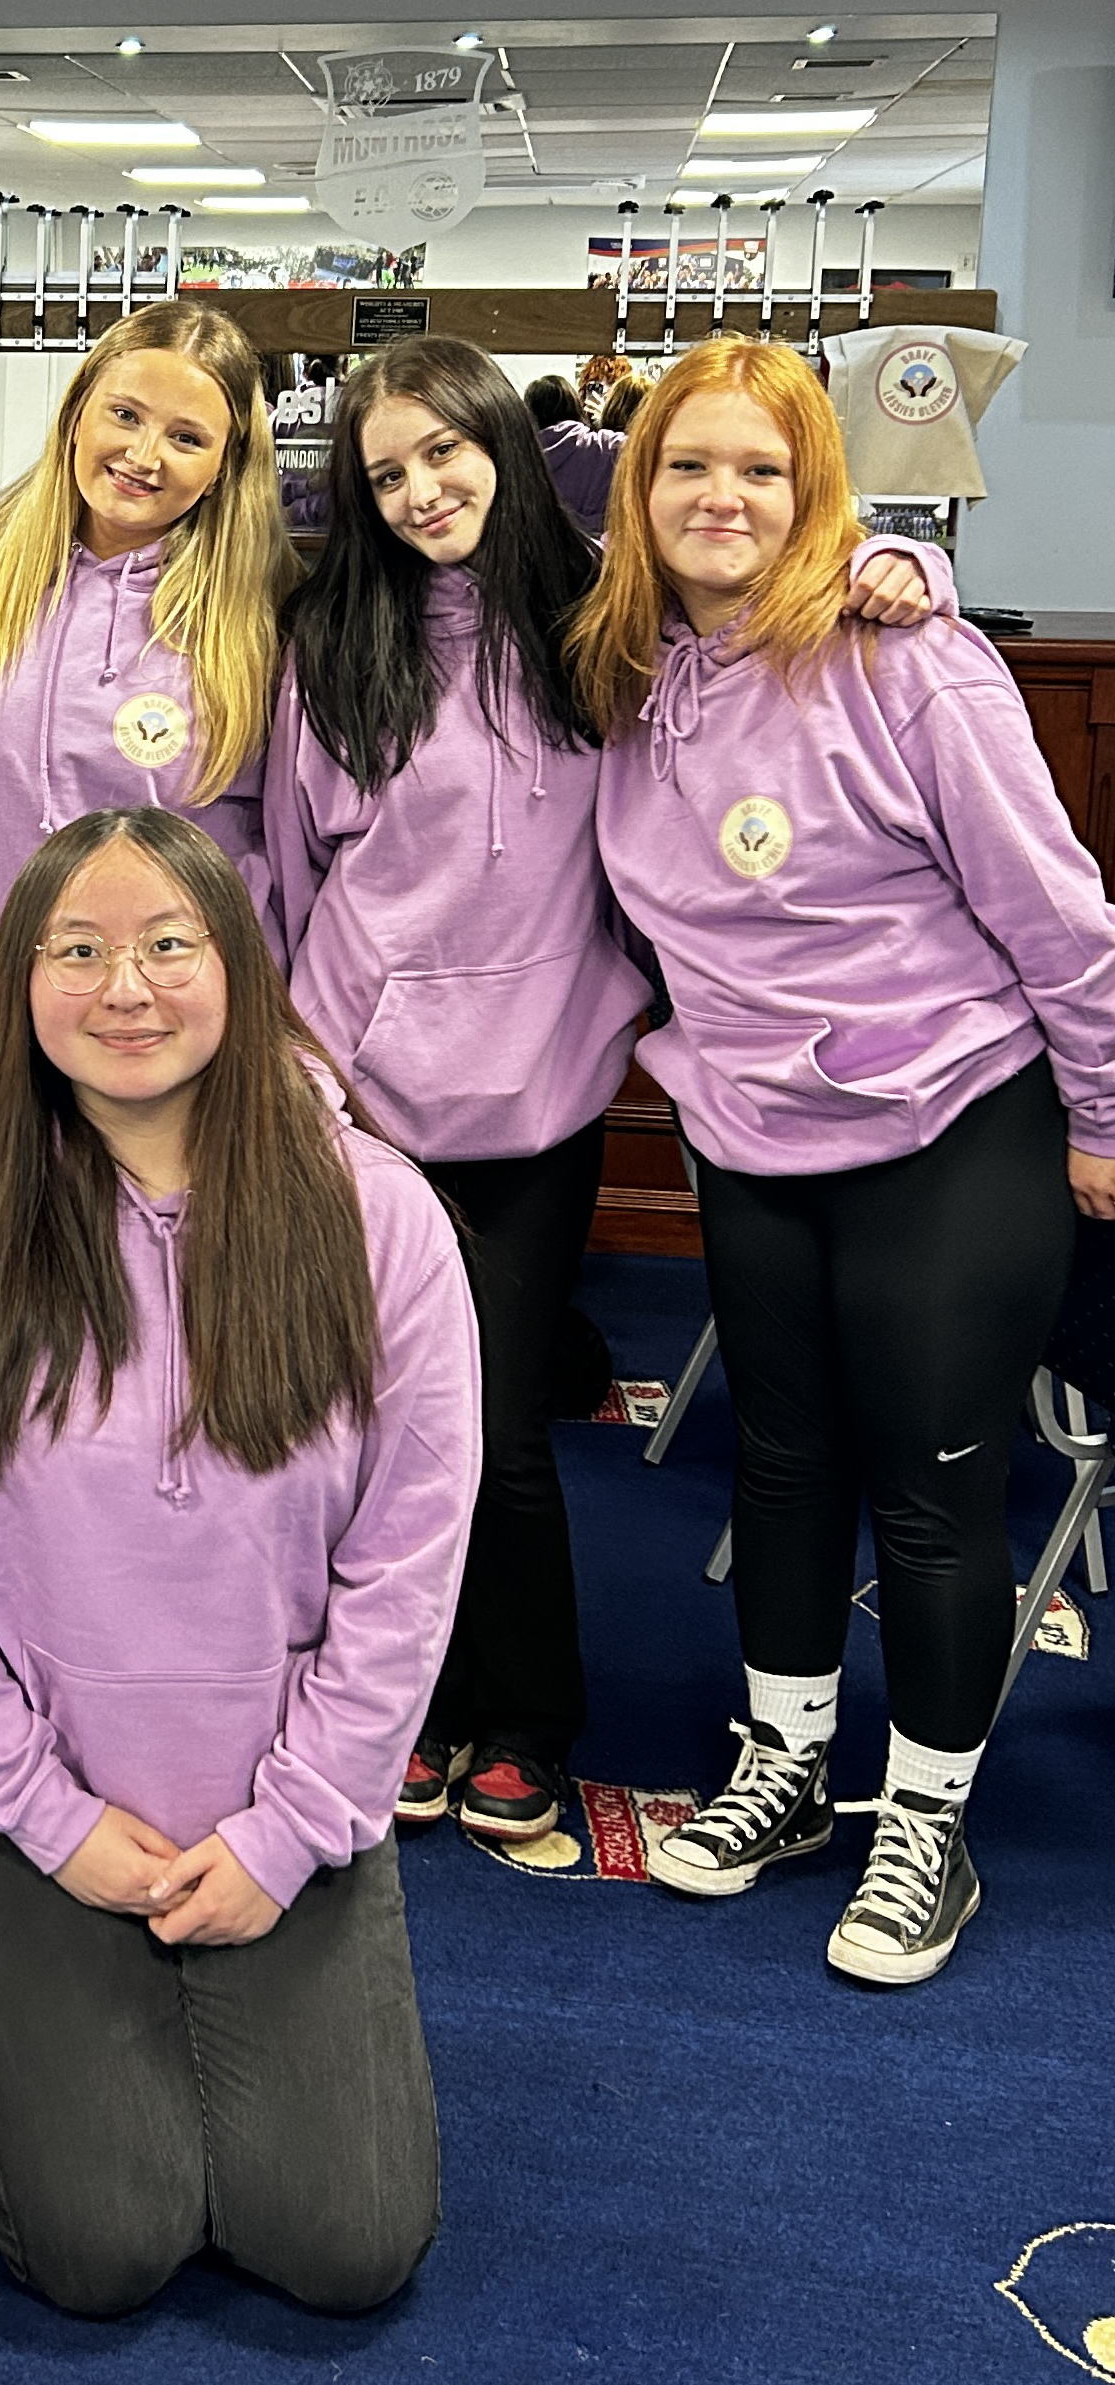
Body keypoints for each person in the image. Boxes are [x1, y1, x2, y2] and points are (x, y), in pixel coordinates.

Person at [268, 333, 935, 1845]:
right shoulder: (330, 641)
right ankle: (411, 1706)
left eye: (445, 452)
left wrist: (902, 568)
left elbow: (767, 605)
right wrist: (310, 1066)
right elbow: (298, 881)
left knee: (491, 1427)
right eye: (385, 473)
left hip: (540, 1097)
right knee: (363, 1421)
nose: (421, 489)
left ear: (506, 444)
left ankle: (524, 1719)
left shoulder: (606, 626)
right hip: (360, 1102)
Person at [0, 806, 480, 2318]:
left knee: (346, 2244)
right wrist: (39, 1811)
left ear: (237, 968)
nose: (122, 988)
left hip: (281, 1796)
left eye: (165, 945)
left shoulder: (375, 1216)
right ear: (16, 985)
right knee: (101, 2250)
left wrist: (289, 1833)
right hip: (33, 1808)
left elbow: (407, 1562)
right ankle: (24, 2050)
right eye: (76, 951)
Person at [569, 336, 1115, 1985]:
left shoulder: (910, 667)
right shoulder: (627, 676)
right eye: (689, 466)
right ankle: (788, 1764)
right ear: (639, 490)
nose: (722, 497)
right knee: (779, 1464)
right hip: (752, 1132)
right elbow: (506, 514)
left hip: (952, 1127)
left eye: (764, 469)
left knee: (930, 1490)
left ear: (818, 492)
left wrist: (1101, 1117)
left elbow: (1062, 918)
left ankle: (925, 1824)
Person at [0, 301, 295, 1087]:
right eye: (124, 414)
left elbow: (283, 853)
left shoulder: (263, 616)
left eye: (186, 438)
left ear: (227, 463)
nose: (143, 455)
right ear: (77, 411)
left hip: (167, 1044)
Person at [524, 372, 625, 536]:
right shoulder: (604, 446)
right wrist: (603, 419)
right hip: (603, 552)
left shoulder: (521, 457)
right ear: (574, 404)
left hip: (542, 550)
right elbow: (646, 447)